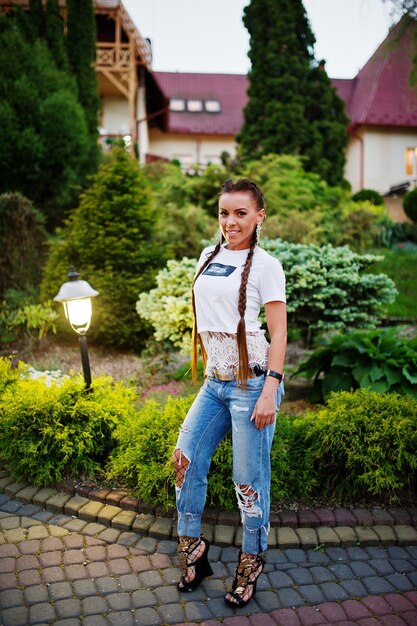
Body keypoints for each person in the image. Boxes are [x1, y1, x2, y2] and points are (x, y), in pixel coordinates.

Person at [172, 178, 287, 608]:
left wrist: (268, 391)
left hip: (253, 384)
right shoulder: (209, 255)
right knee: (185, 461)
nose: (231, 221)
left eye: (241, 213)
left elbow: (278, 333)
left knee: (248, 483)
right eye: (224, 212)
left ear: (259, 216)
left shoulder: (266, 266)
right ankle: (194, 551)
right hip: (215, 383)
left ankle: (251, 559)